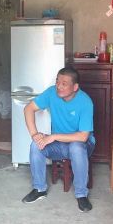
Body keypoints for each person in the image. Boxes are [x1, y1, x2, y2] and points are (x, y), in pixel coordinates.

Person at [21, 67, 95, 213]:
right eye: (57, 82)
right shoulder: (51, 93)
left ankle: (81, 194)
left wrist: (53, 136)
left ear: (75, 87)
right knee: (36, 145)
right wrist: (35, 134)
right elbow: (28, 108)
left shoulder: (85, 102)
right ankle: (39, 189)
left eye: (64, 84)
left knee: (76, 147)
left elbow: (83, 136)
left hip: (83, 145)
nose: (59, 86)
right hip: (60, 145)